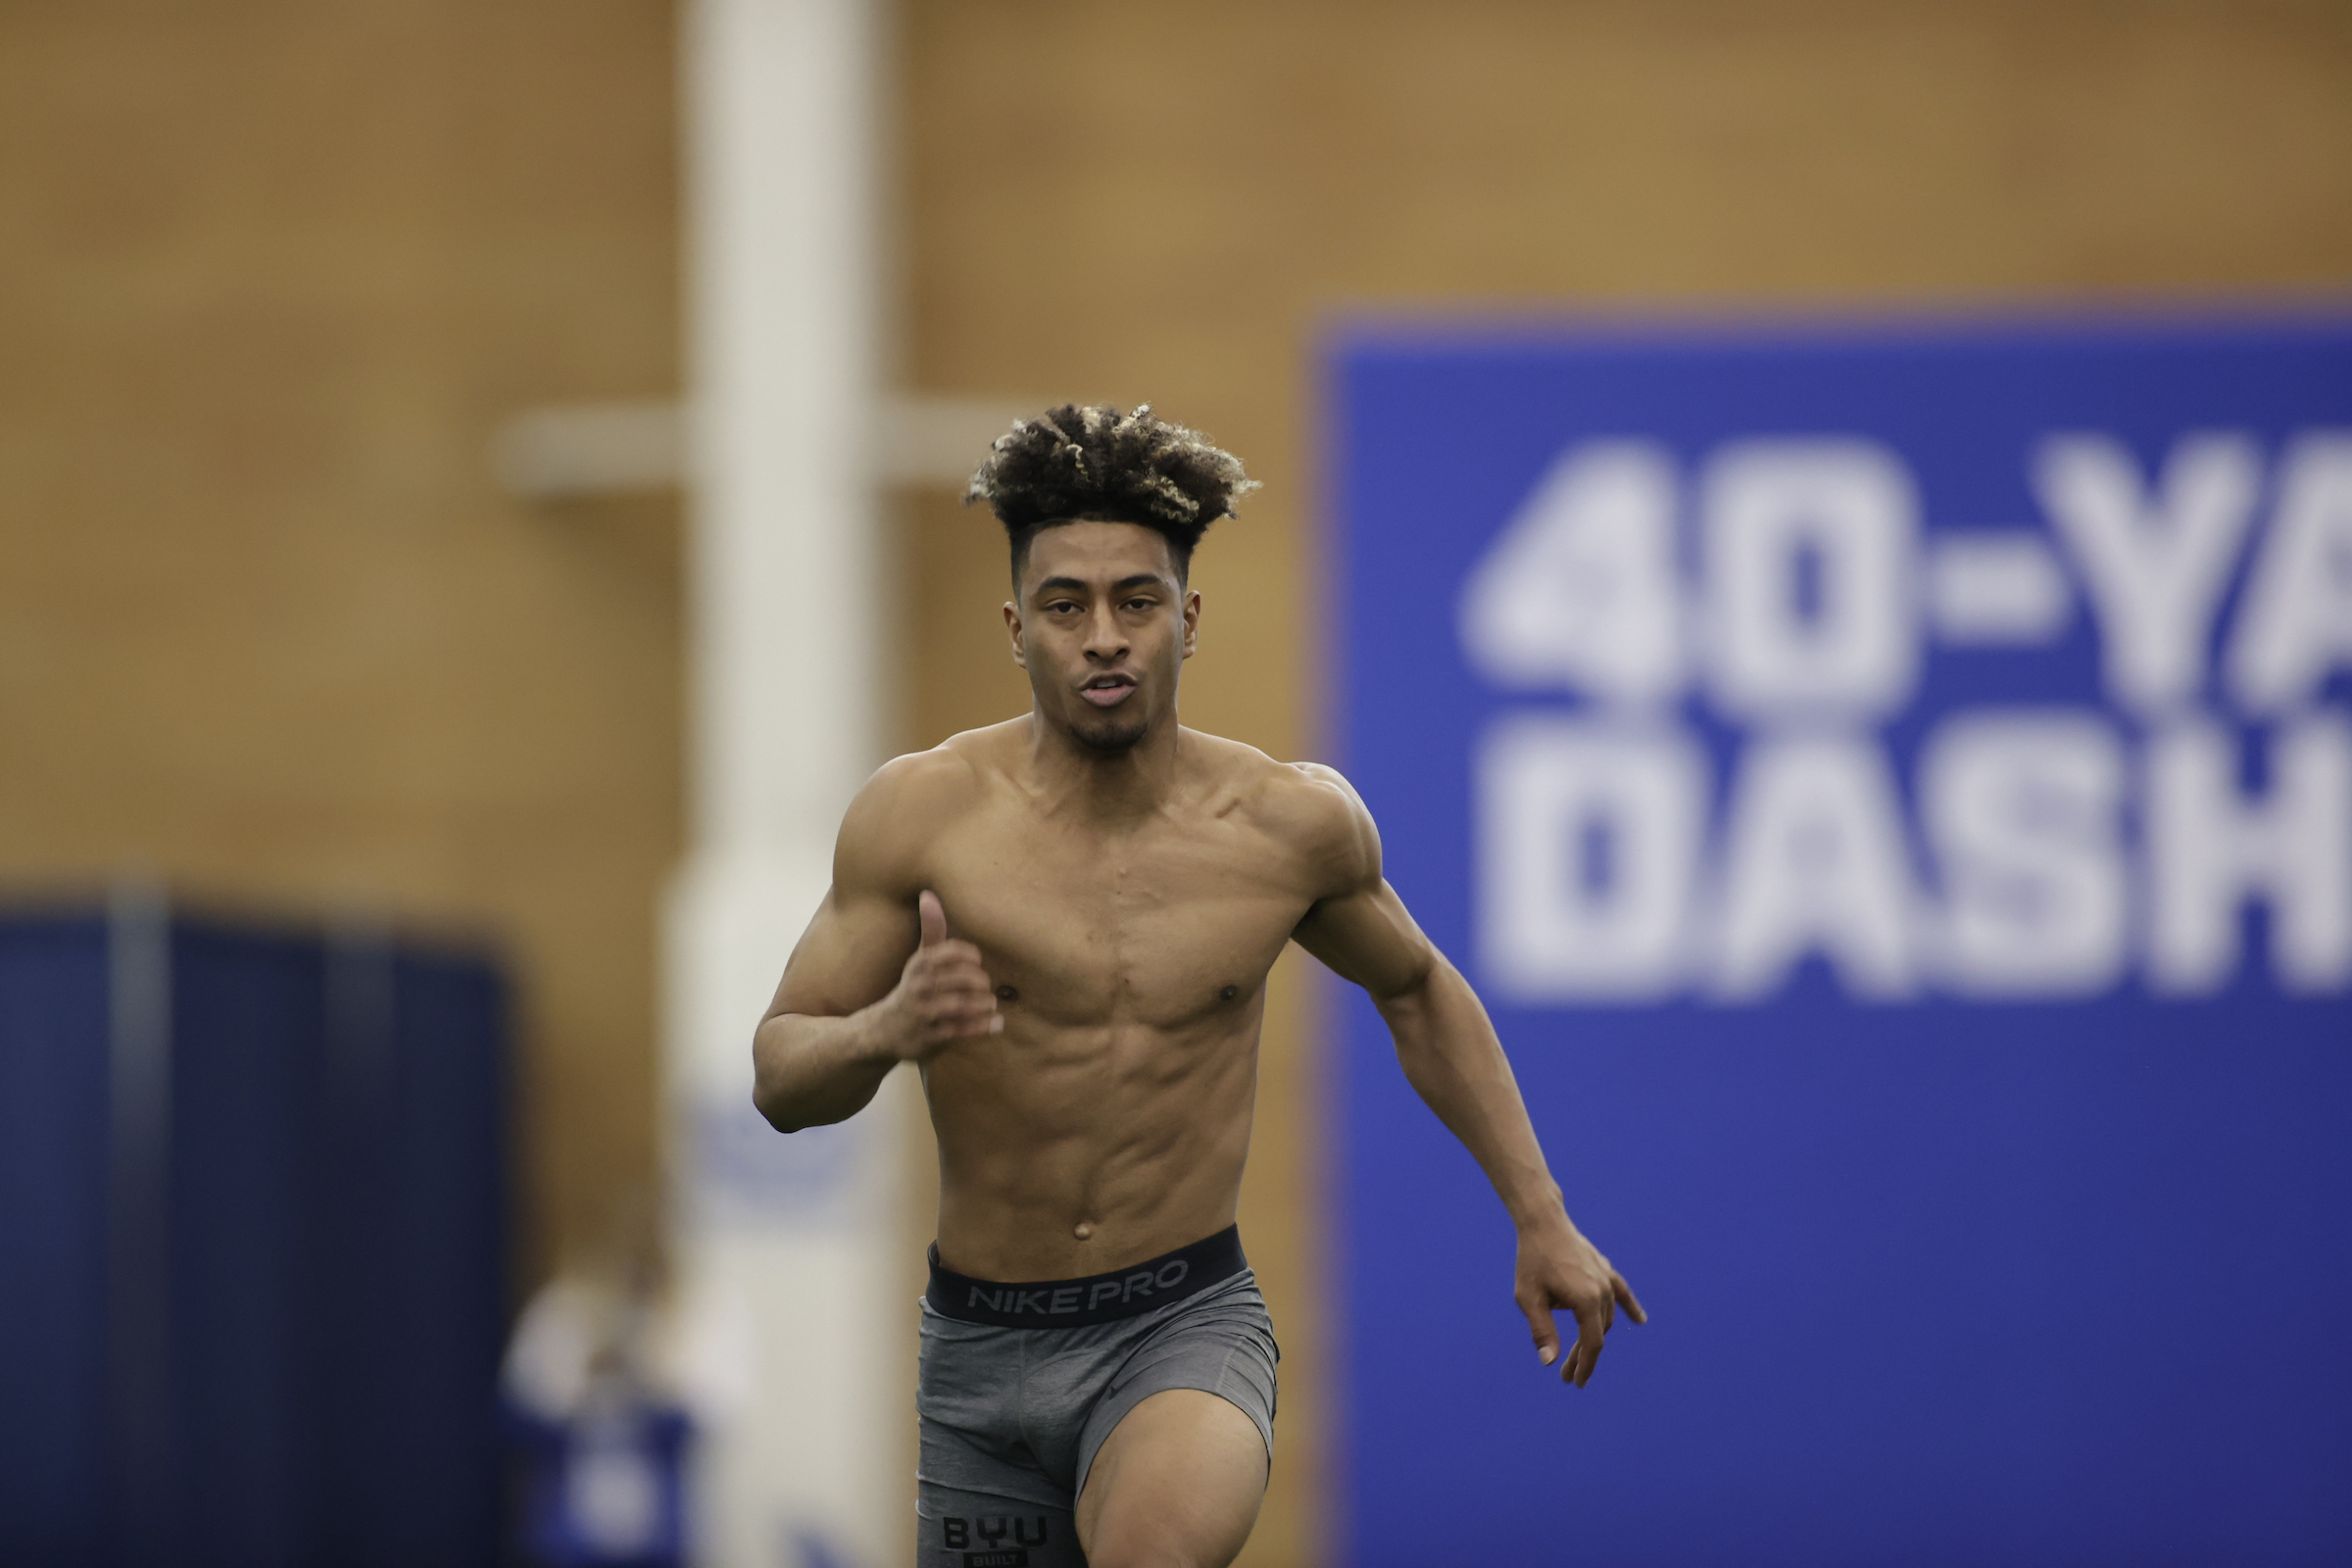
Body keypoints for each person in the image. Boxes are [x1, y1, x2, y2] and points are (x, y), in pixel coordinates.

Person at [752, 404, 1643, 1568]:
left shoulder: (1289, 827)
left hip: (1180, 1324)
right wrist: (888, 1025)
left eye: (1139, 600)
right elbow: (780, 1075)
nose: (1105, 636)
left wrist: (1541, 1215)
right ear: (1018, 628)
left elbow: (1419, 990)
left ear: (1191, 617)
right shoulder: (921, 819)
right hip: (978, 1350)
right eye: (1067, 606)